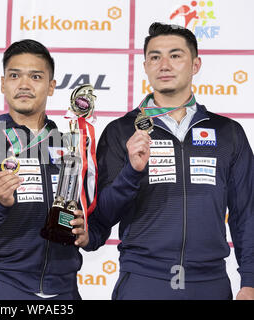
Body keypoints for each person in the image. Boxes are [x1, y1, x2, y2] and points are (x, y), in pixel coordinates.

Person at [85, 22, 254, 300]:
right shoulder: (121, 131)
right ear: (145, 66)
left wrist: (250, 280)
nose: (164, 65)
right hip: (143, 280)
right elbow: (102, 216)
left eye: (175, 56)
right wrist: (131, 171)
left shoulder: (228, 133)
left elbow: (246, 213)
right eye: (155, 57)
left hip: (210, 282)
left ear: (195, 64)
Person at [0, 39, 98, 300]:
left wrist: (89, 233)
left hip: (65, 292)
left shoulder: (73, 148)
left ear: (51, 86)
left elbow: (94, 214)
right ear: (3, 83)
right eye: (15, 75)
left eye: (36, 76)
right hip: (6, 291)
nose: (25, 85)